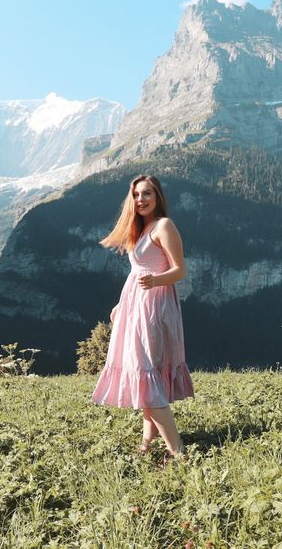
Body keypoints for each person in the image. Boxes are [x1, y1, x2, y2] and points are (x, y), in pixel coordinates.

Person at [91, 174, 194, 461]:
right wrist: (120, 304)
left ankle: (178, 452)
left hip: (155, 307)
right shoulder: (141, 228)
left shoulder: (164, 226)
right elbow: (136, 272)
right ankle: (147, 442)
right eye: (136, 195)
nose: (141, 200)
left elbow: (180, 270)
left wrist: (156, 281)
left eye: (147, 194)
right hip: (135, 305)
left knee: (146, 370)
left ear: (158, 196)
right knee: (146, 373)